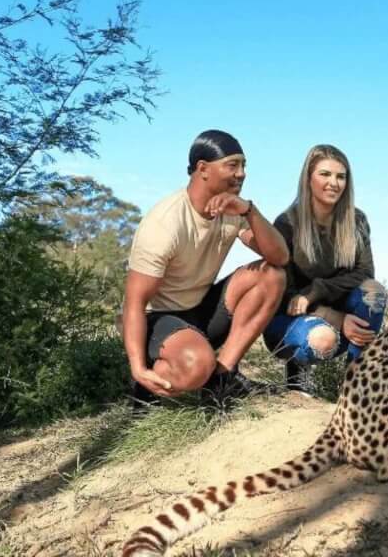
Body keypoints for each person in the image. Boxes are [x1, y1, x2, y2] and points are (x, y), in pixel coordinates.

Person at [123, 130, 289, 406]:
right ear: (202, 169)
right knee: (196, 364)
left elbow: (279, 257)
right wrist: (137, 367)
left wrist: (250, 211)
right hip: (160, 318)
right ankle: (146, 390)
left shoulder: (232, 209)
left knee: (272, 275)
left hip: (200, 310)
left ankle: (222, 377)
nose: (241, 174)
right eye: (232, 165)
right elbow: (135, 303)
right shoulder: (164, 224)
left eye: (244, 166)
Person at [263, 144, 387, 393]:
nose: (334, 183)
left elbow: (365, 274)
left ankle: (355, 385)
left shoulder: (357, 220)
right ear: (308, 178)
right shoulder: (286, 223)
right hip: (290, 321)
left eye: (341, 176)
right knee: (321, 339)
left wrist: (316, 290)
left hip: (343, 317)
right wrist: (337, 319)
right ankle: (297, 377)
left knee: (374, 293)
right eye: (325, 174)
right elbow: (287, 296)